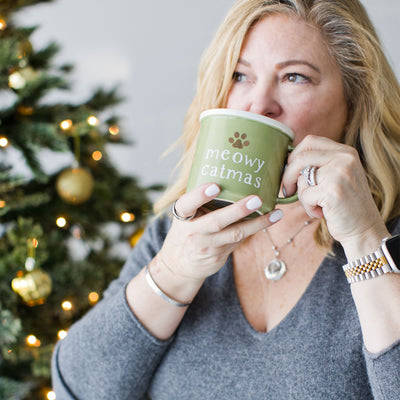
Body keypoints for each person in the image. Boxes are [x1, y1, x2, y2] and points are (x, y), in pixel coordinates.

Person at [52, 0, 400, 399]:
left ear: (354, 99)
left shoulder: (385, 232)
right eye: (239, 75)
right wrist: (173, 271)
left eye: (295, 77)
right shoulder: (184, 229)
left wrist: (363, 238)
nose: (259, 104)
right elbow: (77, 389)